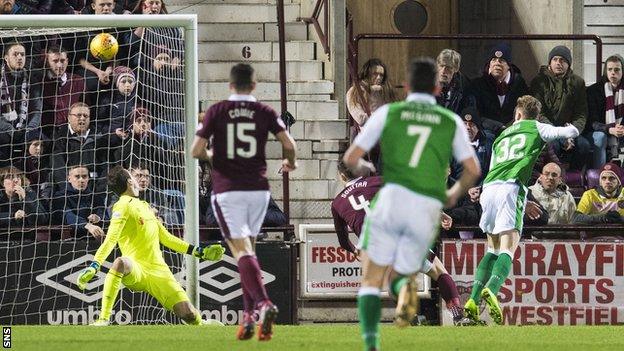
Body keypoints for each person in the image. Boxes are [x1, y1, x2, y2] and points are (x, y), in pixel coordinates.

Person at [343, 57, 480, 351]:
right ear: (435, 88)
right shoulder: (450, 121)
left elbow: (351, 159)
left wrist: (367, 173)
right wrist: (450, 195)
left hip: (390, 199)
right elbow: (472, 169)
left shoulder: (389, 113)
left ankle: (371, 342)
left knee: (372, 276)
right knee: (427, 267)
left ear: (406, 85)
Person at [191, 63, 297, 341]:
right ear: (254, 85)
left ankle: (264, 303)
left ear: (230, 86)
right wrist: (289, 162)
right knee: (248, 252)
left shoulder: (217, 111)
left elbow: (196, 150)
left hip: (229, 191)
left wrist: (219, 156)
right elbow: (289, 145)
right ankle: (249, 318)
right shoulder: (264, 111)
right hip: (259, 191)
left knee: (241, 253)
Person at [463, 95, 579, 325]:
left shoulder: (500, 136)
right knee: (508, 248)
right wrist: (570, 129)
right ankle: (493, 291)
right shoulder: (536, 127)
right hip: (511, 188)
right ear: (534, 115)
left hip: (489, 189)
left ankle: (473, 300)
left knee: (492, 248)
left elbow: (493, 167)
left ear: (517, 114)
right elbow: (571, 133)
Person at [75, 165, 226, 325]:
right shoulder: (122, 205)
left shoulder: (145, 206)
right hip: (137, 268)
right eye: (134, 177)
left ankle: (202, 324)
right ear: (129, 182)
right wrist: (94, 266)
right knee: (121, 262)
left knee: (188, 314)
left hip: (159, 270)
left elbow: (167, 238)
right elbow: (111, 239)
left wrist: (199, 252)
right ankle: (103, 319)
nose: (137, 180)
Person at [331, 160, 465, 324]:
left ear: (342, 176)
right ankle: (457, 314)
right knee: (439, 271)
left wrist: (353, 250)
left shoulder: (337, 203)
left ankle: (410, 318)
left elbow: (342, 240)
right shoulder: (378, 181)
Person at [530, 45, 590, 171]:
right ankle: (553, 175)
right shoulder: (539, 82)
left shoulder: (578, 83)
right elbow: (539, 114)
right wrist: (559, 134)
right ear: (550, 62)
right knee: (552, 146)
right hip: (548, 129)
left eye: (562, 60)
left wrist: (572, 132)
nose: (558, 63)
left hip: (570, 130)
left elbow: (581, 113)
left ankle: (574, 176)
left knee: (584, 146)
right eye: (555, 59)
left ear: (568, 64)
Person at [471, 43, 529, 135]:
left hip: (514, 130)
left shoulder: (519, 84)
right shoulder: (478, 85)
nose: (497, 63)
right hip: (487, 131)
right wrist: (497, 127)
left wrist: (510, 127)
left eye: (501, 60)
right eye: (494, 60)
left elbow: (525, 110)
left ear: (508, 66)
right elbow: (475, 113)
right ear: (489, 65)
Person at [1, 41, 42, 167]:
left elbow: (37, 109)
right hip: (3, 128)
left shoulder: (32, 79)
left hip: (26, 128)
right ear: (6, 58)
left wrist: (29, 129)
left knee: (40, 141)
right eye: (15, 54)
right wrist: (10, 130)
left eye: (22, 55)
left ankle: (35, 181)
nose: (19, 57)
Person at [39, 44, 86, 139]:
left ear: (67, 61)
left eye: (62, 61)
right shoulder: (40, 83)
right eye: (55, 61)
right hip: (49, 134)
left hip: (74, 131)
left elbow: (86, 107)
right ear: (47, 62)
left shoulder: (78, 81)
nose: (59, 65)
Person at [587, 54, 624, 168]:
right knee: (601, 137)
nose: (613, 72)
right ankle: (600, 175)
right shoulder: (594, 90)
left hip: (621, 130)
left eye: (617, 69)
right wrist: (610, 129)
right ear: (605, 71)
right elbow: (592, 121)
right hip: (600, 130)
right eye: (610, 69)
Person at [51, 164, 106, 239]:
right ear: (69, 179)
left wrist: (98, 218)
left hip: (93, 238)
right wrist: (87, 225)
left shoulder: (95, 197)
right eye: (77, 176)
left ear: (88, 178)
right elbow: (67, 216)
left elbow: (105, 215)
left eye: (84, 176)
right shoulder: (60, 196)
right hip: (67, 238)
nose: (81, 180)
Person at [450, 106, 494, 184]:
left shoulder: (488, 141)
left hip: (481, 190)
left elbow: (492, 170)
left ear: (478, 127)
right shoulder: (452, 143)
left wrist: (480, 188)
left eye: (471, 124)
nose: (468, 127)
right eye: (464, 124)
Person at [435, 49, 474, 114]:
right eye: (441, 66)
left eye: (448, 67)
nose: (443, 71)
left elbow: (469, 112)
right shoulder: (427, 84)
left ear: (456, 69)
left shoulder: (465, 87)